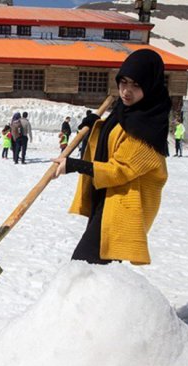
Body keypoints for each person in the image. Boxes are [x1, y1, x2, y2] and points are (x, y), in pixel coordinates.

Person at [52, 48, 170, 265]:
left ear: (150, 86)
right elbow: (114, 136)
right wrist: (95, 124)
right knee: (95, 270)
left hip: (123, 205)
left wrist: (76, 165)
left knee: (84, 265)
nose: (126, 91)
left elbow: (120, 170)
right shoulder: (126, 112)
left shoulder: (148, 128)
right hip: (106, 199)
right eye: (123, 82)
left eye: (136, 85)